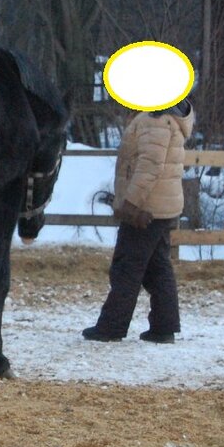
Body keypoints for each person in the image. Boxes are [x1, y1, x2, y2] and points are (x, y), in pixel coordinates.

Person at [83, 98, 195, 344]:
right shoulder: (170, 117)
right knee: (157, 267)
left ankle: (112, 327)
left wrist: (130, 204)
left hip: (146, 208)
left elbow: (149, 166)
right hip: (163, 205)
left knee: (127, 267)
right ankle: (163, 327)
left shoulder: (153, 120)